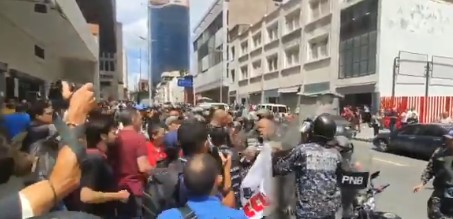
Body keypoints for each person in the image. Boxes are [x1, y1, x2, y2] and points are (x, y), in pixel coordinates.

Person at [0, 82, 97, 218]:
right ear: (38, 116)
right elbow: (63, 126)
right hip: (41, 188)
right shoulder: (38, 130)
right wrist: (75, 113)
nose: (52, 116)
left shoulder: (31, 129)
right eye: (49, 113)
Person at [273, 114, 343, 219]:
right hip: (329, 212)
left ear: (313, 131)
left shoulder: (302, 150)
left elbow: (279, 169)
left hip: (307, 212)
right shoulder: (336, 154)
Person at [65, 113, 129, 217]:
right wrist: (118, 195)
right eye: (113, 132)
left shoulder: (97, 156)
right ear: (103, 136)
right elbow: (86, 196)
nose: (117, 135)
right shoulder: (94, 159)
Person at [157, 154, 247, 219]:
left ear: (184, 183)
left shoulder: (167, 216)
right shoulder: (238, 216)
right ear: (218, 181)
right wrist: (226, 171)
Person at [112, 108, 153, 218]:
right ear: (134, 119)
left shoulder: (115, 137)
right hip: (134, 189)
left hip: (116, 188)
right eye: (140, 118)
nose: (141, 121)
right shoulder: (139, 138)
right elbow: (143, 167)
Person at [413, 130, 453, 218]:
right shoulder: (439, 152)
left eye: (451, 140)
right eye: (448, 139)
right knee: (433, 213)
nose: (448, 141)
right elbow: (430, 168)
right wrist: (422, 183)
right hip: (440, 190)